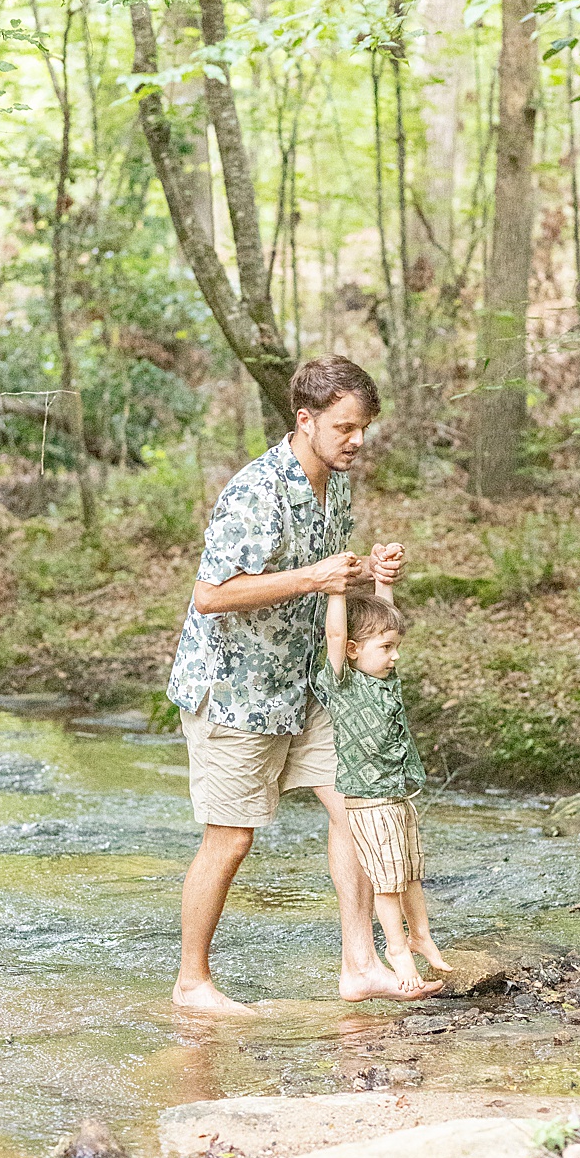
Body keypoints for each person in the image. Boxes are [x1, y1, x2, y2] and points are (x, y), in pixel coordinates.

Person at [165, 355, 431, 1015]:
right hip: (234, 689)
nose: (357, 440)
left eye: (363, 427)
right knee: (230, 836)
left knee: (361, 808)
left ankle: (360, 964)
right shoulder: (256, 490)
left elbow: (321, 573)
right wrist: (315, 577)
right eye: (344, 427)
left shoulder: (332, 483)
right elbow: (209, 593)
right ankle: (191, 982)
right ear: (305, 420)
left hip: (304, 680)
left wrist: (368, 569)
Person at [320, 562, 449, 994]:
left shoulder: (384, 678)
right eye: (386, 648)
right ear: (355, 650)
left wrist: (384, 585)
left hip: (397, 794)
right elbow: (337, 636)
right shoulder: (342, 683)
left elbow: (381, 619)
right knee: (388, 881)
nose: (395, 656)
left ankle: (421, 936)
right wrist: (336, 591)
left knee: (411, 873)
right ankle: (395, 949)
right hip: (368, 801)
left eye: (396, 647)